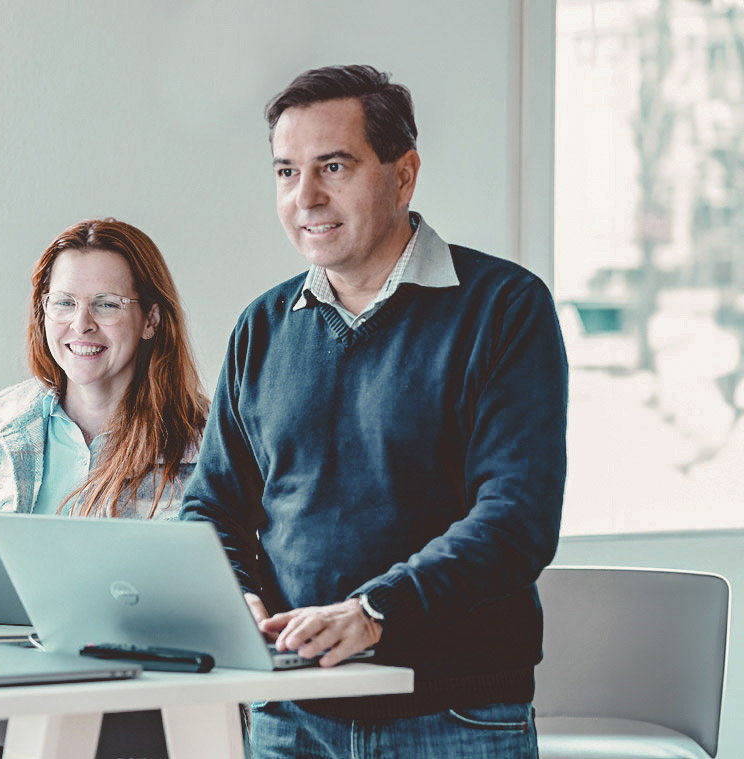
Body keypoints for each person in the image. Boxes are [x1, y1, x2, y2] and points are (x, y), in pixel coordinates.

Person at [179, 64, 568, 758]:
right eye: (286, 172)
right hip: (290, 716)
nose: (307, 197)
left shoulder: (505, 308)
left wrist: (373, 611)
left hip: (455, 715)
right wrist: (234, 598)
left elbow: (517, 518)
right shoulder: (261, 328)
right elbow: (212, 507)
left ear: (403, 174)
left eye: (334, 166)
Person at [0, 218, 207, 759]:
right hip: (0, 705)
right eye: (64, 303)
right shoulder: (1, 424)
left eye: (107, 304)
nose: (82, 324)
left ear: (151, 320)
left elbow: (211, 613)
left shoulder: (204, 446)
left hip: (139, 718)